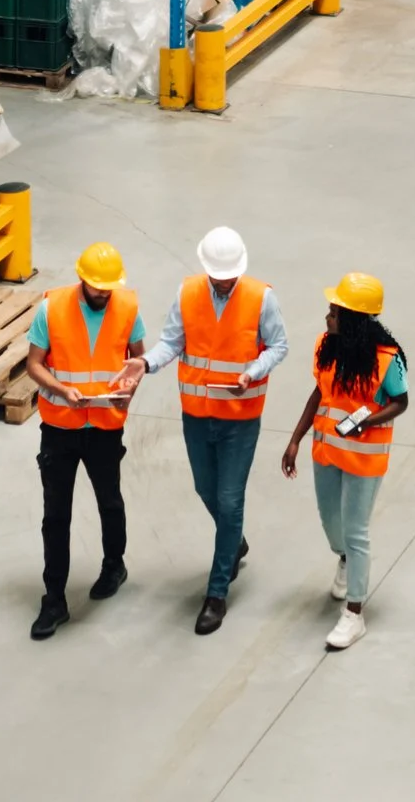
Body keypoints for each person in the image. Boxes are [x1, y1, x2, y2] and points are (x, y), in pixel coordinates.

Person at [144, 225, 289, 637]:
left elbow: (279, 346)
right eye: (217, 276)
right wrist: (147, 364)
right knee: (206, 490)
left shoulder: (262, 298)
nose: (223, 282)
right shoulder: (188, 293)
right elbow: (171, 342)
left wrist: (253, 371)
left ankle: (217, 591)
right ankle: (234, 542)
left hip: (240, 418)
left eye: (229, 277)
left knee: (229, 499)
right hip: (196, 414)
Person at [279, 272, 409, 655]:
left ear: (353, 319)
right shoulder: (327, 346)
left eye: (334, 312)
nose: (327, 317)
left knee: (356, 531)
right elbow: (320, 392)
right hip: (327, 452)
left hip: (364, 460)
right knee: (331, 524)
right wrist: (295, 439)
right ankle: (344, 559)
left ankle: (355, 613)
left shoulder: (388, 360)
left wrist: (367, 421)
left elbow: (400, 401)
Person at [26, 241, 146, 641]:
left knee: (109, 501)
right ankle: (54, 598)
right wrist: (61, 389)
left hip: (105, 426)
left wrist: (128, 387)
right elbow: (34, 364)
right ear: (82, 279)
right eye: (97, 288)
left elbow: (138, 359)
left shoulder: (127, 307)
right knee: (56, 515)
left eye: (108, 288)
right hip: (60, 425)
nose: (103, 294)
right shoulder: (52, 308)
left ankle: (115, 565)